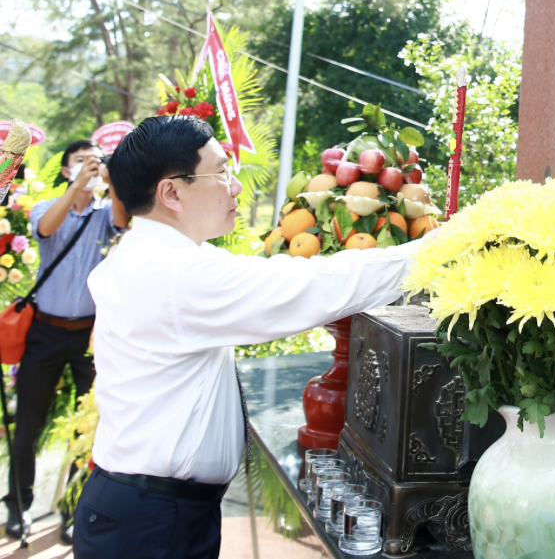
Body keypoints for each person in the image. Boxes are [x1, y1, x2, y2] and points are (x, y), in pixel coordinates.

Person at [74, 115, 432, 558]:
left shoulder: (154, 258)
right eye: (221, 172)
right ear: (171, 192)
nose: (235, 186)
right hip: (152, 522)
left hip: (148, 508)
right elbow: (314, 286)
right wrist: (438, 249)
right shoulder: (174, 274)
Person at [4, 140, 129, 540]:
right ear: (65, 171)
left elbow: (125, 222)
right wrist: (79, 186)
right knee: (28, 424)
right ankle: (19, 505)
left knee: (88, 429)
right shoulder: (47, 208)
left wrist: (112, 183)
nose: (91, 167)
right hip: (44, 332)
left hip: (90, 336)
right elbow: (45, 229)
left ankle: (74, 509)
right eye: (82, 162)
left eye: (97, 161)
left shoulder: (105, 213)